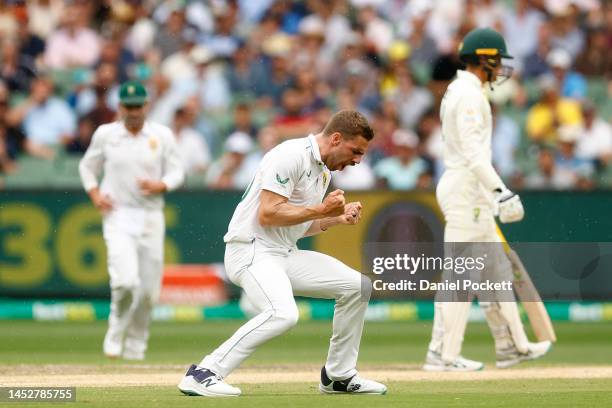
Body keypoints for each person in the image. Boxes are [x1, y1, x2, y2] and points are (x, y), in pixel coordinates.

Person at [178, 110, 387, 397]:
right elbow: (268, 214)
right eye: (355, 151)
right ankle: (204, 373)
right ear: (336, 138)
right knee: (283, 314)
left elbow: (298, 225)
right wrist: (322, 209)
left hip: (283, 253)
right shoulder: (290, 154)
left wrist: (336, 218)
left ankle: (338, 376)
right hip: (250, 250)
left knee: (358, 286)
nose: (357, 160)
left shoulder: (323, 170)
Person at [424, 28, 551, 372]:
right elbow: (472, 154)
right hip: (468, 191)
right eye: (497, 61)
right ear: (484, 59)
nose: (500, 68)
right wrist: (502, 192)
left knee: (495, 273)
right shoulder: (468, 94)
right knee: (461, 277)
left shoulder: (465, 89)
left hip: (471, 190)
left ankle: (511, 345)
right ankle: (443, 355)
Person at [79, 81, 184, 360]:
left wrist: (161, 185)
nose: (135, 111)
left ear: (147, 105)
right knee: (125, 282)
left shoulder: (161, 135)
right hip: (118, 214)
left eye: (139, 105)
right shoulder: (106, 134)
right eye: (129, 106)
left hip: (151, 216)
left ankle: (136, 347)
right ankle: (115, 330)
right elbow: (87, 167)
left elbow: (177, 172)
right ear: (120, 107)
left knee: (149, 292)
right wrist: (95, 193)